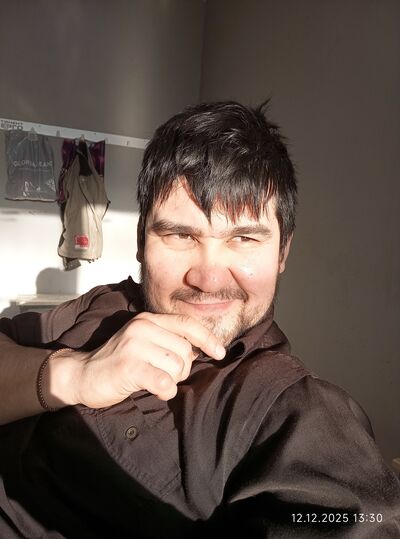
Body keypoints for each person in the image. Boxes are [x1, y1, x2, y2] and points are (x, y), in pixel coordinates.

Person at [0, 101, 399, 538]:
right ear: (141, 242)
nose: (208, 279)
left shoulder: (294, 413)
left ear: (282, 252)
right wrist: (72, 374)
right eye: (180, 235)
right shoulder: (108, 304)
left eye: (243, 238)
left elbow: (358, 520)